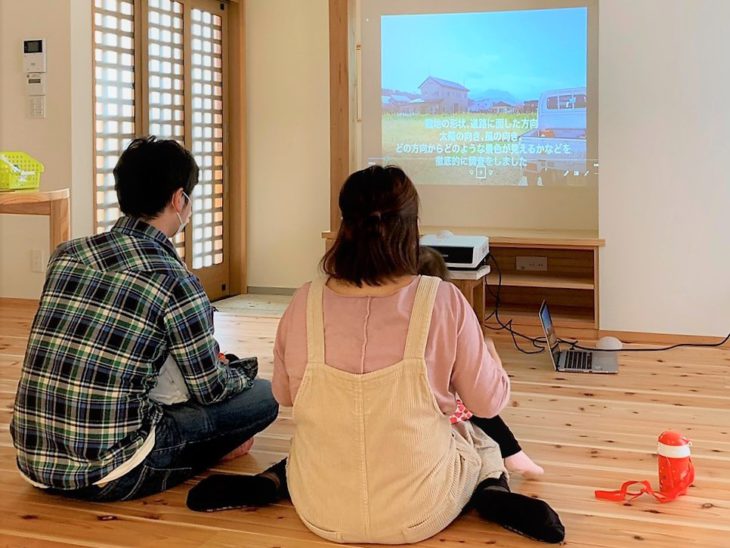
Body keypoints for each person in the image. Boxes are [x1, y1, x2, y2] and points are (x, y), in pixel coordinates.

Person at [188, 166, 563, 543]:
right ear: (411, 227)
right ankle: (492, 492)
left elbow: (284, 396)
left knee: (320, 441)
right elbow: (486, 401)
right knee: (478, 439)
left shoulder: (305, 298)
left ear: (344, 227)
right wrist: (493, 365)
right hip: (420, 511)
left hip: (320, 506)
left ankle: (270, 481)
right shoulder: (442, 299)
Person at [10, 136, 278, 501]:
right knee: (265, 396)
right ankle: (211, 449)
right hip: (116, 472)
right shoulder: (175, 279)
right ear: (178, 199)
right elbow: (210, 389)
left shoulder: (68, 255)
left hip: (34, 462)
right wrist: (239, 370)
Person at [418, 245, 544, 479]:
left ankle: (508, 458)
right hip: (444, 404)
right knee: (483, 411)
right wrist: (492, 354)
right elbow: (480, 388)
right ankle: (513, 453)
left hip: (415, 404)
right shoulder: (449, 314)